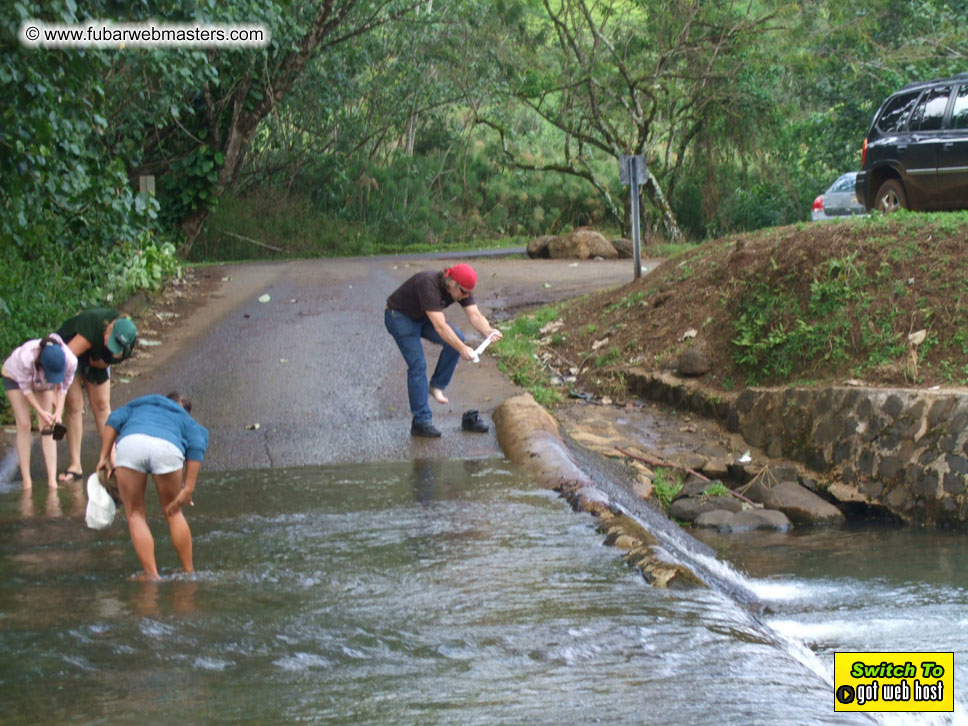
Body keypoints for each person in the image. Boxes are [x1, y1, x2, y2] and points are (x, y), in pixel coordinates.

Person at [97, 392, 208, 580]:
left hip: (132, 443)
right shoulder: (185, 419)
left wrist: (104, 456)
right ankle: (188, 572)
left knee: (135, 513)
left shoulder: (140, 403)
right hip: (167, 448)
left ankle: (151, 574)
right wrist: (188, 488)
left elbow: (113, 419)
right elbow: (197, 444)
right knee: (173, 513)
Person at [384, 263, 502, 437]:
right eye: (463, 292)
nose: (466, 296)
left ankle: (436, 385)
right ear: (452, 283)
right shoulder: (428, 284)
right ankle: (421, 421)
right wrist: (462, 349)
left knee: (457, 339)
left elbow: (475, 315)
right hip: (399, 317)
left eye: (469, 292)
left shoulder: (462, 288)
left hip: (421, 316)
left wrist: (488, 331)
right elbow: (440, 326)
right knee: (418, 365)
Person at [55, 308, 137, 483]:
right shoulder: (92, 326)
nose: (110, 346)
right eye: (110, 340)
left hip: (96, 357)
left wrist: (98, 363)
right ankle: (75, 466)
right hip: (69, 353)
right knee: (74, 405)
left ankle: (112, 459)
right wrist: (57, 397)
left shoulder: (126, 343)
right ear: (110, 326)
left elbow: (108, 359)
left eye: (116, 347)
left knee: (101, 405)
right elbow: (64, 359)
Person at [2, 335, 78, 489]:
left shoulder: (71, 360)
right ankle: (27, 481)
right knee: (24, 424)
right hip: (15, 378)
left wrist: (58, 411)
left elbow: (64, 385)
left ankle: (52, 481)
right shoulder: (26, 357)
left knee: (48, 426)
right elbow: (26, 389)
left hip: (43, 380)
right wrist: (41, 412)